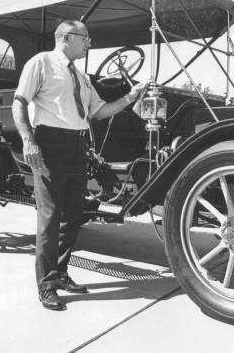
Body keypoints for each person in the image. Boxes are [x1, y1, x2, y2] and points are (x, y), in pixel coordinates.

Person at [12, 20, 146, 311]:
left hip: (77, 145)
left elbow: (100, 112)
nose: (89, 43)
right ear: (66, 37)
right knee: (49, 216)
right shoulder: (42, 63)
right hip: (48, 143)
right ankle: (46, 286)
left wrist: (131, 97)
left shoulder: (83, 77)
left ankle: (60, 274)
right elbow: (19, 102)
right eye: (85, 38)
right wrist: (28, 140)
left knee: (73, 215)